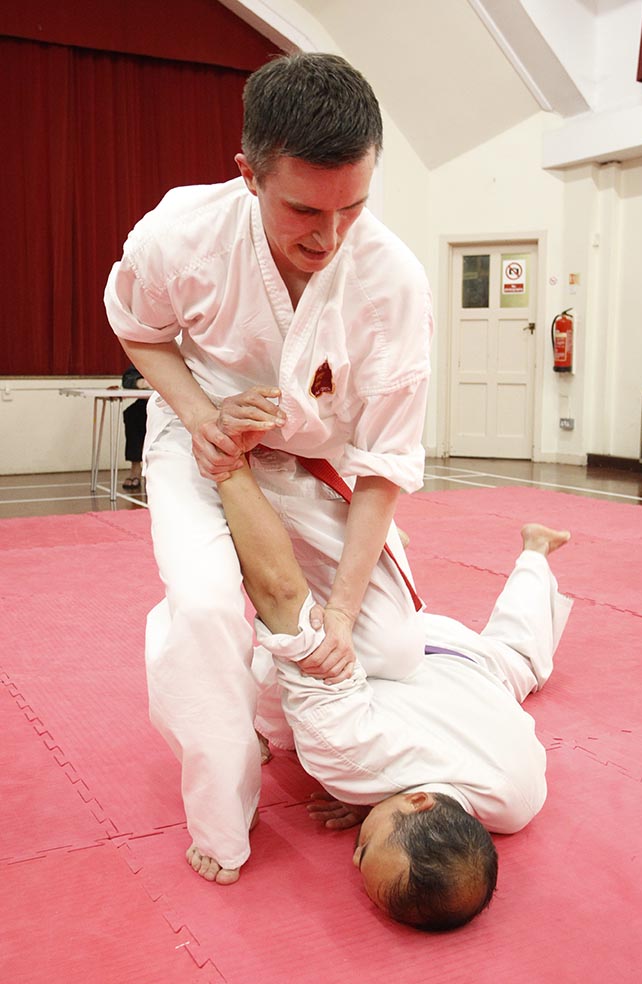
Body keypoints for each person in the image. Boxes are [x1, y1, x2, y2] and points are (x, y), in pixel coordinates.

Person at [104, 53, 433, 883]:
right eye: (303, 210)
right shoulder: (180, 234)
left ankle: (259, 677)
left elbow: (383, 465)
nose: (329, 237)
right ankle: (222, 812)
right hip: (201, 436)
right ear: (248, 174)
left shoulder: (392, 281)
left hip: (314, 462)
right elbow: (139, 331)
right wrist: (201, 417)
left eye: (352, 207)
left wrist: (341, 611)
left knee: (387, 647)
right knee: (206, 608)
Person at [180, 456, 572, 930]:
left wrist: (375, 796)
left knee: (524, 660)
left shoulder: (520, 804)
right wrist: (228, 466)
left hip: (473, 663)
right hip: (385, 646)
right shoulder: (345, 753)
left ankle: (534, 551)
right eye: (365, 847)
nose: (352, 853)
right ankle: (378, 552)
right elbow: (284, 604)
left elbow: (432, 761)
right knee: (288, 683)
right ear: (418, 802)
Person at [121, 366, 151, 491]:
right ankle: (135, 467)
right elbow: (128, 379)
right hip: (151, 400)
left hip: (177, 401)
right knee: (132, 414)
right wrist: (142, 383)